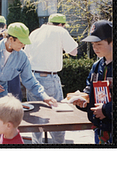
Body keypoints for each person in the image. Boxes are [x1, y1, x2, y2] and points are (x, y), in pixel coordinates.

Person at [0, 22, 57, 111]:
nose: (23, 45)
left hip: (1, 94)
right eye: (21, 42)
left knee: (2, 119)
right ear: (11, 39)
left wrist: (44, 96)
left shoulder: (22, 57)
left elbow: (29, 79)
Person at [24, 13, 78, 144]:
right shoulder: (60, 31)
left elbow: (26, 55)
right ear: (61, 24)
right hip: (49, 77)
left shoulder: (35, 32)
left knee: (36, 117)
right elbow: (74, 51)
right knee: (57, 115)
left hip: (32, 78)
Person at [72, 20, 112, 144]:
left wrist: (106, 109)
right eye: (93, 44)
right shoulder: (96, 66)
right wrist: (83, 101)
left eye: (99, 44)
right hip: (100, 129)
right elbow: (90, 91)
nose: (95, 48)